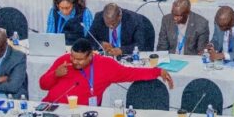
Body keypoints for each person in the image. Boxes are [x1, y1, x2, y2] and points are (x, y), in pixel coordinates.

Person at [39, 37, 173, 106]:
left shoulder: (105, 65)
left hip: (82, 115)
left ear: (91, 55)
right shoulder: (63, 60)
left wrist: (157, 71)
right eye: (72, 57)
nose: (74, 61)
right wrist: (55, 74)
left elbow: (130, 73)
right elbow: (43, 85)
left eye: (79, 59)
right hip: (52, 107)